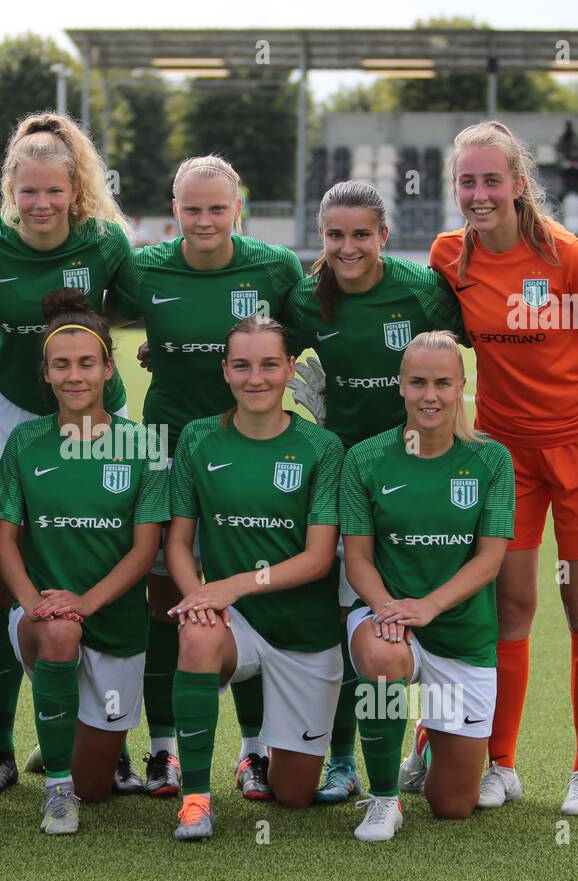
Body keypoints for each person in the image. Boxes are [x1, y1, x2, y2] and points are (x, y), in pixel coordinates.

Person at [430, 120, 578, 816]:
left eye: (492, 180)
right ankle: (501, 763)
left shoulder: (569, 258)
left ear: (519, 184)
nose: (479, 194)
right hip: (503, 457)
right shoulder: (449, 255)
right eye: (467, 181)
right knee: (507, 607)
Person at [108, 154, 303, 801]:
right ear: (174, 211)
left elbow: (293, 340)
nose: (204, 220)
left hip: (249, 451)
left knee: (241, 595)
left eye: (217, 208)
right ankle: (161, 748)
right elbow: (92, 314)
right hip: (164, 448)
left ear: (237, 209)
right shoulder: (142, 268)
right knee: (165, 603)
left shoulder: (275, 267)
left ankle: (253, 753)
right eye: (191, 208)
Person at [0, 112, 137, 794]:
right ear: (11, 190)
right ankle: (1, 748)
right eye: (27, 192)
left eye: (53, 191)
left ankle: (110, 741)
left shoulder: (105, 242)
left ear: (76, 188)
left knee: (108, 559)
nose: (39, 204)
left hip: (100, 411)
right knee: (7, 576)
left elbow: (133, 307)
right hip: (11, 412)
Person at [279, 178, 463, 804]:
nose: (348, 247)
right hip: (343, 476)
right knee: (344, 618)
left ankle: (429, 734)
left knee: (425, 612)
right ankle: (340, 759)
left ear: (384, 235)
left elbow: (460, 360)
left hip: (421, 475)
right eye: (335, 235)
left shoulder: (421, 291)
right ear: (321, 237)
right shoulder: (305, 300)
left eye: (362, 234)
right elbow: (262, 353)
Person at [0, 289, 168, 834]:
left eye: (86, 363)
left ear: (108, 368)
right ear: (44, 373)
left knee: (100, 789)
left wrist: (87, 602)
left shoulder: (144, 444)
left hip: (115, 624)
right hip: (44, 619)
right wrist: (33, 605)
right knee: (61, 635)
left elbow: (144, 551)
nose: (74, 376)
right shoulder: (24, 441)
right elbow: (4, 540)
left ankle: (75, 749)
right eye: (60, 365)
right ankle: (56, 790)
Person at [165, 315, 344, 841]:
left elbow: (317, 558)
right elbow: (178, 541)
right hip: (232, 621)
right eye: (241, 365)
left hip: (303, 634)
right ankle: (196, 798)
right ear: (225, 371)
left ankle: (264, 758)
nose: (256, 378)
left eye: (269, 364)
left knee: (293, 796)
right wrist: (200, 597)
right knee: (196, 634)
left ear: (290, 369)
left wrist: (234, 585)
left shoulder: (321, 447)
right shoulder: (199, 437)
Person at [338, 330, 514, 840]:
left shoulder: (492, 460)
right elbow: (358, 560)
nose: (429, 396)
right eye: (417, 382)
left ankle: (426, 739)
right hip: (390, 617)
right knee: (383, 656)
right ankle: (383, 798)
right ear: (400, 386)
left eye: (442, 383)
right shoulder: (367, 459)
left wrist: (430, 607)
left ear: (462, 385)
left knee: (452, 806)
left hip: (461, 632)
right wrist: (389, 609)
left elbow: (490, 560)